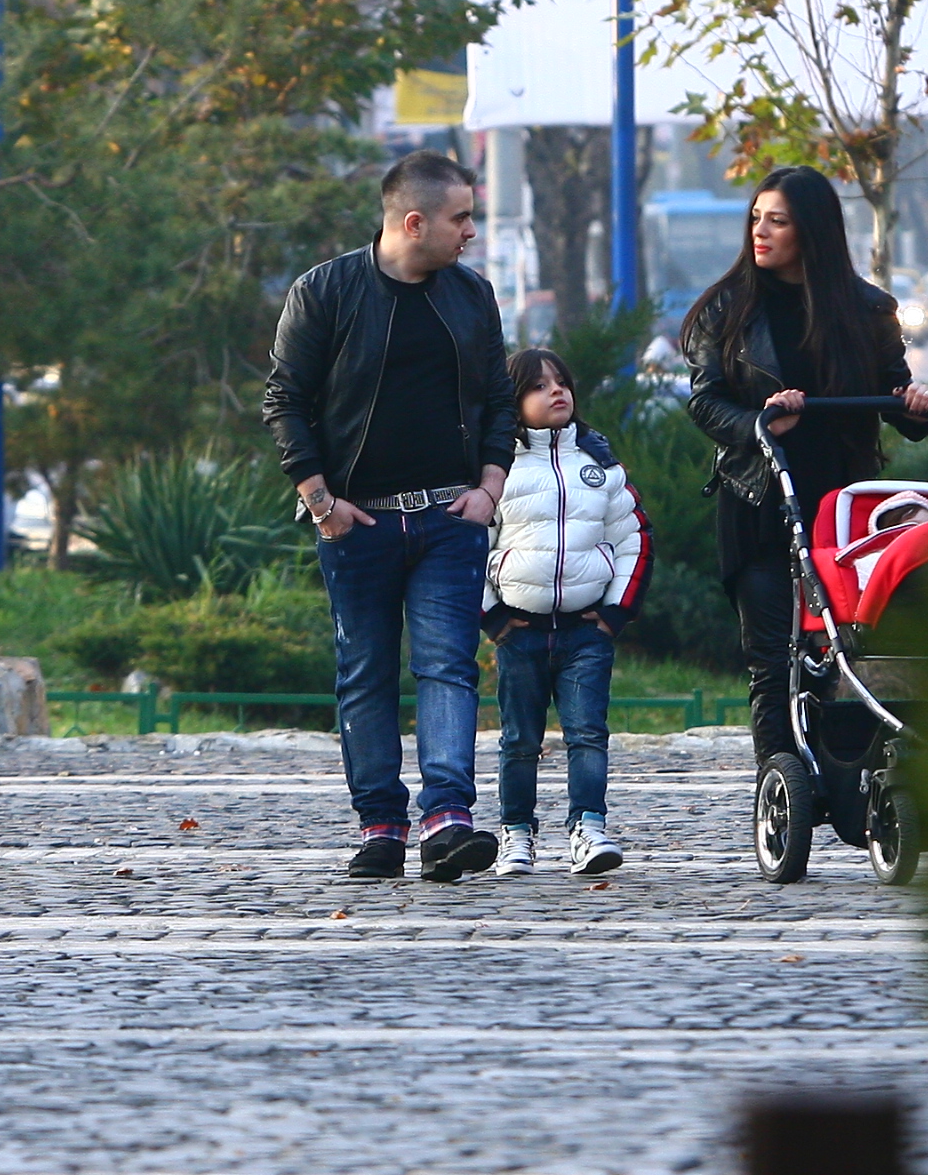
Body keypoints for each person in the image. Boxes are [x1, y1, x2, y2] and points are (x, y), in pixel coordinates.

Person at [262, 151, 519, 883]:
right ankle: (380, 824)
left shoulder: (472, 296)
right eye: (461, 218)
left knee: (447, 667)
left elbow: (500, 400)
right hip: (358, 524)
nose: (471, 231)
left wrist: (489, 490)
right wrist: (321, 502)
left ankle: (448, 820)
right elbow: (285, 401)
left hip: (448, 518)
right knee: (366, 673)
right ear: (415, 222)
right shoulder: (326, 292)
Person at [680, 165, 928, 766]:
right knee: (771, 658)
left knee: (845, 647)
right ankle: (781, 784)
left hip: (843, 510)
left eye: (777, 221)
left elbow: (898, 401)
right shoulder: (727, 308)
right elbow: (704, 400)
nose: (759, 233)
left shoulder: (867, 310)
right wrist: (759, 423)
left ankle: (850, 771)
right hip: (759, 501)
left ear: (813, 231)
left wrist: (918, 406)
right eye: (755, 218)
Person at [482, 346, 647, 878]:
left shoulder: (598, 466)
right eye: (537, 386)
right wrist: (491, 616)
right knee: (519, 740)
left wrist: (617, 611)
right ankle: (516, 834)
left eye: (561, 382)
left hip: (585, 632)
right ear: (514, 401)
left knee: (587, 734)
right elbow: (470, 545)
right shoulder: (496, 469)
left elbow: (633, 537)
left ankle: (589, 827)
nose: (556, 392)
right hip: (520, 633)